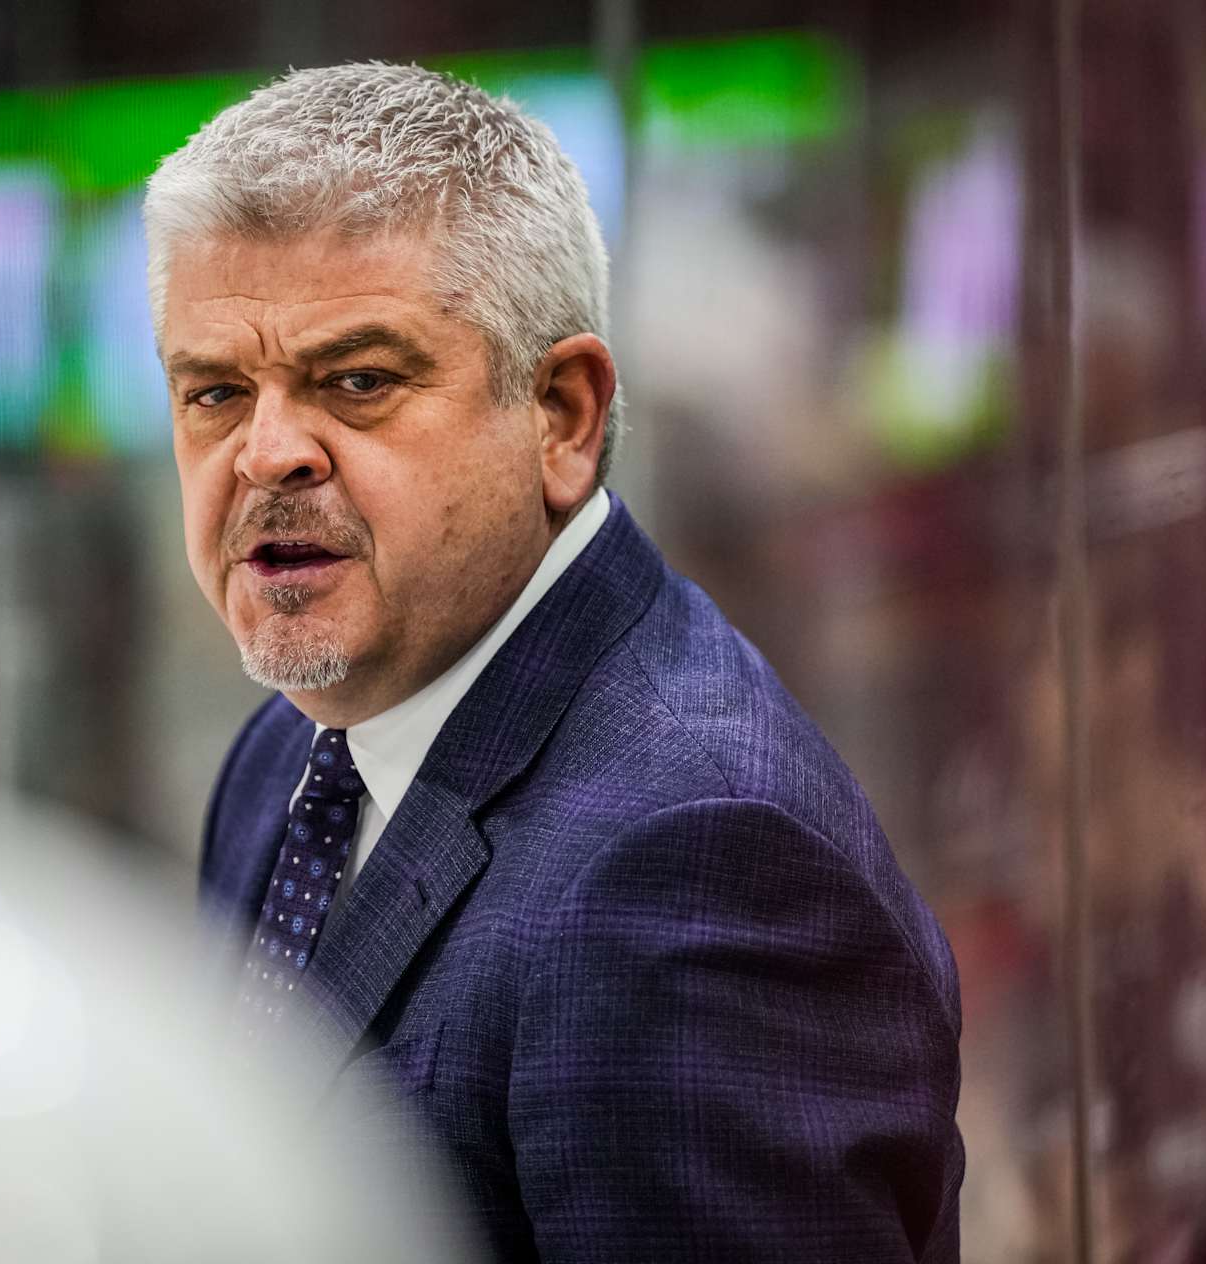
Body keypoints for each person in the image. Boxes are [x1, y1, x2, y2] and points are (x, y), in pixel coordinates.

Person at [146, 63, 963, 1261]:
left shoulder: (691, 858)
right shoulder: (293, 747)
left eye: (358, 381)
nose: (268, 454)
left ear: (565, 415)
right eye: (215, 391)